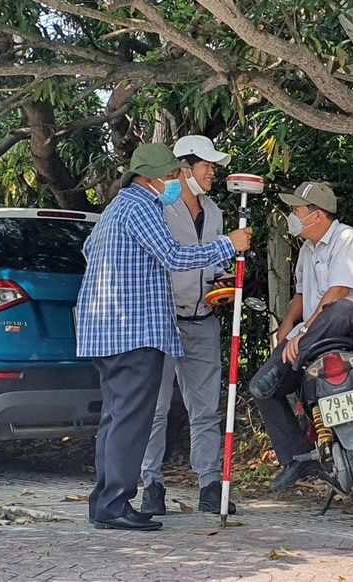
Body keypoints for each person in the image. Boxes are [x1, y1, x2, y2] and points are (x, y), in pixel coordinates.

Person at [76, 143, 251, 531]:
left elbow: (89, 249)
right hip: (133, 331)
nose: (176, 181)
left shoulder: (117, 208)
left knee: (116, 416)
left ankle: (105, 503)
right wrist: (229, 244)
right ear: (149, 177)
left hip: (109, 330)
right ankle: (116, 504)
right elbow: (174, 257)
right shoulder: (141, 206)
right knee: (132, 419)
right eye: (171, 176)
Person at [249, 182, 353, 491]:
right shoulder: (307, 251)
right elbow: (300, 294)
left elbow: (339, 291)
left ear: (318, 215)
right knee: (262, 388)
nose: (292, 217)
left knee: (342, 307)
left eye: (297, 210)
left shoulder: (347, 238)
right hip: (312, 339)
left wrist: (304, 333)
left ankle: (294, 359)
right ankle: (297, 458)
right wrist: (288, 325)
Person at [138, 135, 237, 516]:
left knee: (206, 409)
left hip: (203, 319)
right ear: (184, 168)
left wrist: (223, 282)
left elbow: (214, 264)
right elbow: (169, 258)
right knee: (155, 408)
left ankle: (210, 485)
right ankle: (152, 485)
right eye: (207, 165)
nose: (212, 172)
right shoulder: (159, 209)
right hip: (162, 320)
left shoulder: (214, 212)